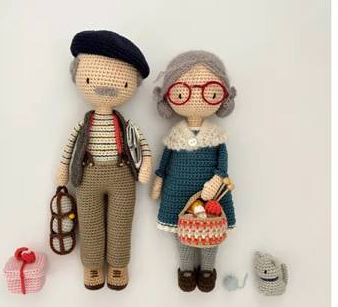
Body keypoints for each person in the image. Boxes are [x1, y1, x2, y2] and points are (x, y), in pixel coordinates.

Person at [57, 30, 151, 290]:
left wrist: (145, 165)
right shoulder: (85, 123)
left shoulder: (126, 125)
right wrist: (63, 168)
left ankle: (119, 265)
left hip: (122, 177)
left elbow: (142, 145)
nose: (107, 86)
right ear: (78, 75)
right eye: (92, 77)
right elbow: (71, 146)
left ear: (132, 84)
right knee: (89, 224)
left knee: (121, 224)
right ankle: (92, 266)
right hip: (88, 177)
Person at [151, 51, 236, 292]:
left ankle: (207, 269)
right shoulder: (175, 134)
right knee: (182, 230)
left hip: (212, 194)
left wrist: (218, 178)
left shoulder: (216, 136)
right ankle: (186, 269)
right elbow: (165, 160)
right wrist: (159, 178)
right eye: (183, 92)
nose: (196, 97)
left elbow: (223, 162)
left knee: (211, 227)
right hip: (177, 192)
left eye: (209, 91)